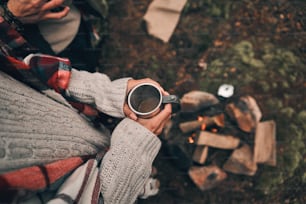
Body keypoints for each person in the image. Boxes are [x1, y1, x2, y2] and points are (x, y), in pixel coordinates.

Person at [0, 8, 172, 204]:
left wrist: (102, 91)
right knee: (126, 180)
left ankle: (138, 175)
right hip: (93, 176)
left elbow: (19, 61)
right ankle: (135, 183)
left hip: (85, 122)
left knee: (109, 145)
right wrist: (135, 148)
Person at [3, 0, 108, 72]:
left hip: (72, 21)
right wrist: (9, 15)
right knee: (77, 74)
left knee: (89, 57)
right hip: (47, 51)